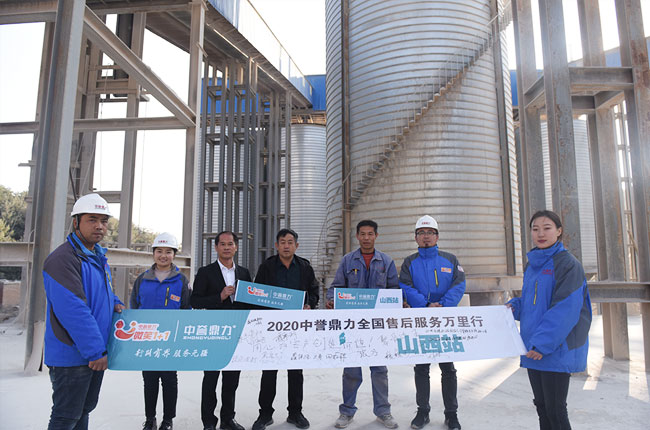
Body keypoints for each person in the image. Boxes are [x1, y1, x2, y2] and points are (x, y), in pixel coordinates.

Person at [43, 193, 125, 430]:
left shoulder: (97, 256)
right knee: (66, 417)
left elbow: (98, 291)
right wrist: (95, 351)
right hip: (73, 355)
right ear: (76, 222)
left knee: (83, 411)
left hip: (92, 352)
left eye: (104, 221)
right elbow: (73, 310)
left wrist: (114, 302)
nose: (100, 226)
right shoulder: (62, 259)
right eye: (92, 219)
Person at [506, 210, 591, 430]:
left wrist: (542, 343)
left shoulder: (567, 264)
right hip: (534, 347)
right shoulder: (533, 265)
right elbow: (533, 302)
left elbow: (566, 309)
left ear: (559, 231)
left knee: (555, 410)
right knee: (542, 406)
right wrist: (514, 307)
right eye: (535, 229)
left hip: (555, 347)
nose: (540, 234)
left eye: (547, 228)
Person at [325, 220, 399, 429]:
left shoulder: (386, 261)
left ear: (376, 236)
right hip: (354, 325)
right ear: (357, 236)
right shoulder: (348, 261)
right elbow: (336, 286)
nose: (366, 238)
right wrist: (331, 300)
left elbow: (394, 289)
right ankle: (347, 412)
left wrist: (399, 303)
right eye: (363, 234)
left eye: (370, 234)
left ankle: (383, 411)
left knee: (379, 370)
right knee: (351, 371)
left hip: (377, 326)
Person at [399, 215, 465, 430]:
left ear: (437, 236)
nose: (425, 236)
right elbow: (406, 286)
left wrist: (443, 306)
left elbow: (459, 285)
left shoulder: (450, 260)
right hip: (421, 319)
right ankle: (423, 412)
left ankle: (451, 414)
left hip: (444, 321)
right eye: (421, 233)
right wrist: (426, 305)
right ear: (415, 237)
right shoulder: (409, 262)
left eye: (430, 233)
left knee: (448, 369)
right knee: (421, 368)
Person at [252, 228, 319, 430]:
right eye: (282, 242)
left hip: (296, 327)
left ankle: (295, 413)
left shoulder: (305, 267)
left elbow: (314, 291)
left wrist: (309, 304)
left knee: (295, 372)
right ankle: (265, 414)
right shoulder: (267, 267)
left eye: (290, 242)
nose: (286, 246)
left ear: (296, 246)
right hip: (272, 327)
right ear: (276, 245)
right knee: (269, 371)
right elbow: (257, 293)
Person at [191, 231, 252, 430]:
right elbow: (195, 301)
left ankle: (228, 419)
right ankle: (209, 422)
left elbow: (250, 302)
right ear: (216, 247)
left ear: (236, 247)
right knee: (210, 379)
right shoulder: (205, 272)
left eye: (230, 244)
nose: (227, 247)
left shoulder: (244, 273)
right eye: (223, 244)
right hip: (214, 334)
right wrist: (220, 296)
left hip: (236, 334)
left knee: (231, 380)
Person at [130, 232, 191, 430]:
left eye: (168, 252)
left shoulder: (181, 280)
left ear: (174, 254)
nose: (163, 255)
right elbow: (134, 307)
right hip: (147, 339)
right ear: (153, 253)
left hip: (170, 340)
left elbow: (186, 309)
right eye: (159, 251)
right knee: (149, 380)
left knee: (169, 380)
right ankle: (150, 419)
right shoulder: (142, 279)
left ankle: (168, 420)